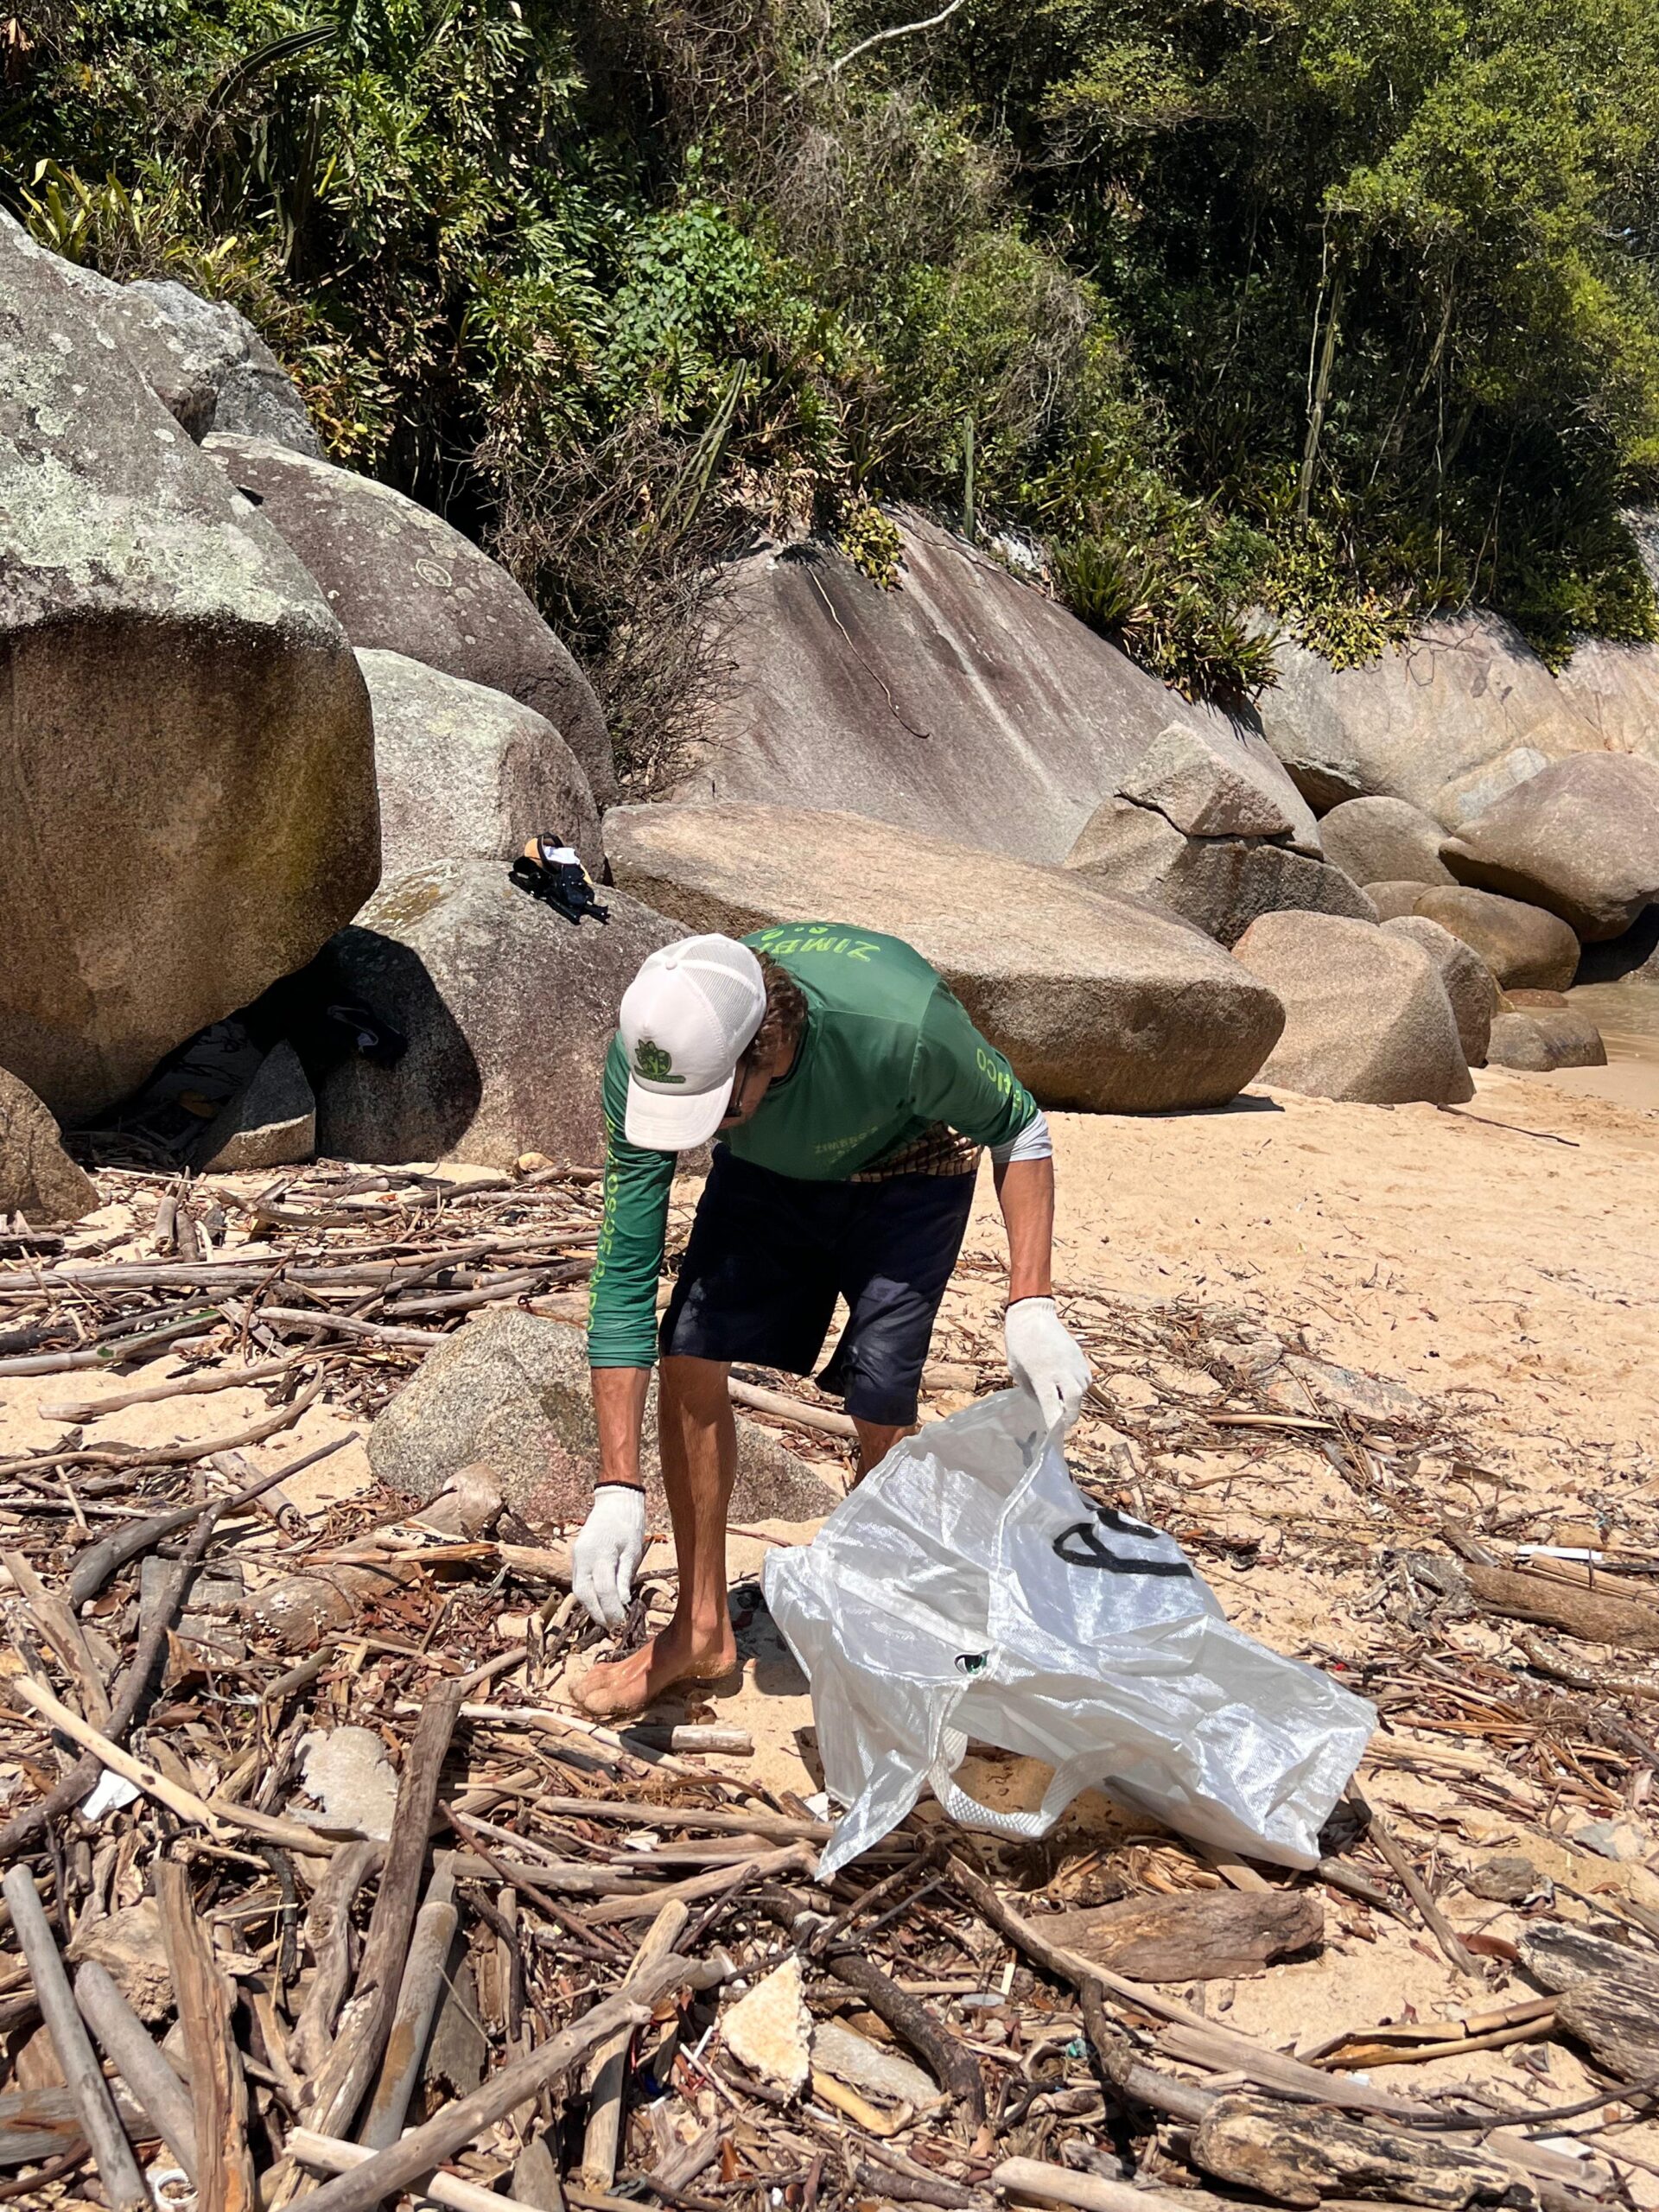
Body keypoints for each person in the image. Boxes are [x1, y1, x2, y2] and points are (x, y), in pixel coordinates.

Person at [570, 924, 1090, 1717]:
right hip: (769, 1168)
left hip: (912, 1164)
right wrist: (616, 1486)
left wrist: (1032, 1302)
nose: (697, 1131)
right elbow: (625, 1271)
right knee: (689, 1352)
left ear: (769, 1048)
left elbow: (1020, 1127)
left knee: (880, 1400)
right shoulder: (658, 1055)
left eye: (712, 1108)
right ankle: (701, 1627)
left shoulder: (905, 1030)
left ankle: (877, 1625)